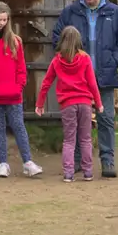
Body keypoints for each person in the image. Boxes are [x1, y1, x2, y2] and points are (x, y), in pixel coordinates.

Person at [50, 0, 118, 178]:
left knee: (105, 119)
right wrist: (69, 59)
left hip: (104, 76)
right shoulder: (71, 12)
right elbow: (56, 37)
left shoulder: (116, 13)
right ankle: (77, 161)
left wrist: (114, 62)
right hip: (77, 80)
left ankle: (107, 161)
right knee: (77, 121)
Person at [0, 1, 42, 178]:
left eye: (5, 19)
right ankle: (3, 163)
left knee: (19, 126)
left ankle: (28, 162)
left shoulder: (15, 41)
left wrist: (19, 86)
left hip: (13, 94)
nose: (1, 23)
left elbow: (21, 67)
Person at [34, 26, 102, 182]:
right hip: (85, 103)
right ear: (79, 41)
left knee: (69, 140)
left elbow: (46, 83)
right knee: (85, 139)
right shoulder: (85, 59)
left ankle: (68, 173)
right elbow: (92, 83)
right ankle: (88, 172)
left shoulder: (57, 60)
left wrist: (40, 104)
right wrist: (98, 103)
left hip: (67, 105)